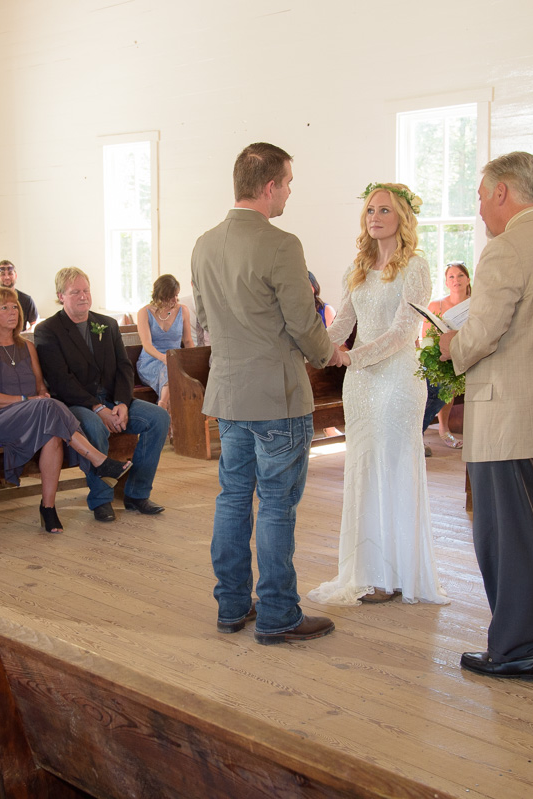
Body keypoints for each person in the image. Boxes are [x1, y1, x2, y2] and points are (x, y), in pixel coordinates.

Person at [439, 151, 533, 682]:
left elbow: (481, 335)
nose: (481, 210)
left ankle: (515, 649)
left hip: (507, 419)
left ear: (503, 191)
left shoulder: (507, 250)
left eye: (481, 197)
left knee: (506, 537)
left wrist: (449, 343)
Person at [191, 142, 342, 645]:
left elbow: (207, 324)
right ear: (269, 185)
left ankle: (233, 606)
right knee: (277, 505)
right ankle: (278, 612)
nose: (290, 194)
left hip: (229, 394)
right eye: (289, 184)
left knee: (233, 499)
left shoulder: (204, 244)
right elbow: (304, 325)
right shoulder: (282, 244)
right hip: (276, 396)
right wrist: (330, 354)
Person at [307, 183, 448, 608]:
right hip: (362, 384)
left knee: (393, 467)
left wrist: (351, 358)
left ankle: (395, 573)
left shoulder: (416, 268)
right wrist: (312, 348)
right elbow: (341, 324)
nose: (375, 216)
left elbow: (404, 333)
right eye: (370, 210)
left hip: (397, 379)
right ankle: (368, 570)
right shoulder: (360, 266)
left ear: (401, 217)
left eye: (385, 210)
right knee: (365, 467)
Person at [0, 286, 131, 533]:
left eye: (15, 307)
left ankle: (48, 508)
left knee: (54, 434)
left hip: (32, 414)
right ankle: (98, 460)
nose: (13, 312)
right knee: (47, 406)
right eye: (5, 308)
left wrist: (39, 397)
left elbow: (41, 388)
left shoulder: (27, 347)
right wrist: (27, 400)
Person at [34, 267, 169, 523]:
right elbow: (61, 380)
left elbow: (123, 367)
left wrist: (121, 403)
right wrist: (98, 408)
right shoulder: (48, 330)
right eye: (76, 292)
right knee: (95, 426)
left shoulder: (106, 324)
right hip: (75, 404)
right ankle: (101, 500)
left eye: (86, 290)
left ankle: (137, 494)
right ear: (61, 295)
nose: (83, 296)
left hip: (113, 399)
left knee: (159, 417)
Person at [422, 262, 472, 450]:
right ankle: (429, 430)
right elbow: (426, 339)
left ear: (468, 279)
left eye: (460, 275)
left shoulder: (477, 303)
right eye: (451, 276)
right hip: (441, 358)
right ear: (446, 282)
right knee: (436, 380)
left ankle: (443, 429)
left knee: (447, 380)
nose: (456, 280)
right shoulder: (436, 305)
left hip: (468, 357)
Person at [135, 274, 193, 411]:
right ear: (161, 295)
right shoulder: (144, 312)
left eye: (176, 295)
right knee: (171, 371)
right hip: (151, 361)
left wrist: (192, 361)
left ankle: (162, 407)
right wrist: (164, 358)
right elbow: (147, 345)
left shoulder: (183, 310)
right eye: (171, 296)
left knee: (174, 372)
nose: (175, 299)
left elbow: (188, 341)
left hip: (174, 360)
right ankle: (163, 408)